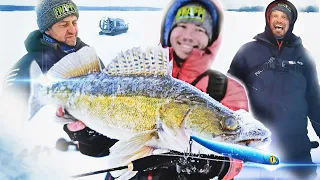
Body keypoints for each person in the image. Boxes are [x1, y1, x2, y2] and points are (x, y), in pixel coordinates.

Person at [59, 0, 249, 179]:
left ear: (211, 37)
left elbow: (240, 152)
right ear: (168, 30)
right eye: (181, 26)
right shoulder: (128, 81)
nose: (188, 35)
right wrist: (87, 137)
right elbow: (108, 147)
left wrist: (217, 165)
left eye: (199, 29)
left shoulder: (227, 89)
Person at [227, 0, 320, 178]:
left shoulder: (304, 56)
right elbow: (230, 94)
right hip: (257, 146)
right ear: (268, 19)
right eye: (275, 16)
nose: (279, 20)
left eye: (284, 17)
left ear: (290, 22)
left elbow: (314, 99)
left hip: (297, 147)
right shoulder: (247, 51)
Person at [1, 0, 95, 129]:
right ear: (47, 29)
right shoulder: (25, 67)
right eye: (64, 24)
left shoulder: (89, 59)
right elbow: (12, 122)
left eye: (74, 23)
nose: (72, 30)